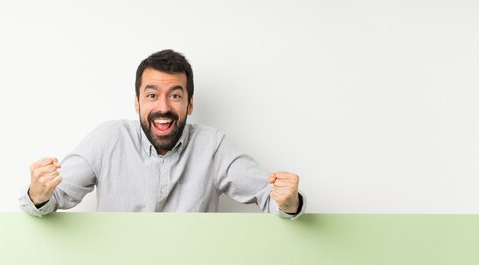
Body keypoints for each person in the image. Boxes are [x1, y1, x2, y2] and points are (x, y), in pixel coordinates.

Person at [19, 49, 305, 217]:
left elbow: (270, 196)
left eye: (176, 96)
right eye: (152, 95)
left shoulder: (213, 146)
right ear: (137, 102)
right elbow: (50, 200)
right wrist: (39, 194)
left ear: (190, 104)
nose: (163, 107)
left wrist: (289, 202)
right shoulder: (109, 139)